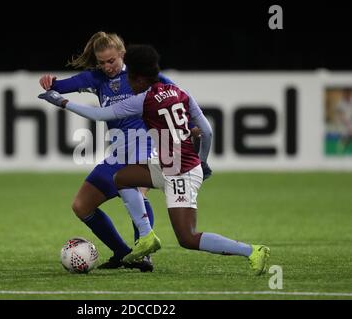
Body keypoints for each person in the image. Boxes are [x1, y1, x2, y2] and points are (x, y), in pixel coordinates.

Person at [39, 44, 270, 275]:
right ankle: (146, 237)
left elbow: (99, 115)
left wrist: (62, 102)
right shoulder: (181, 93)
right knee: (123, 178)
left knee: (187, 237)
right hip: (168, 164)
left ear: (137, 77)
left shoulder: (143, 100)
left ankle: (251, 251)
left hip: (181, 172)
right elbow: (207, 131)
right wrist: (203, 160)